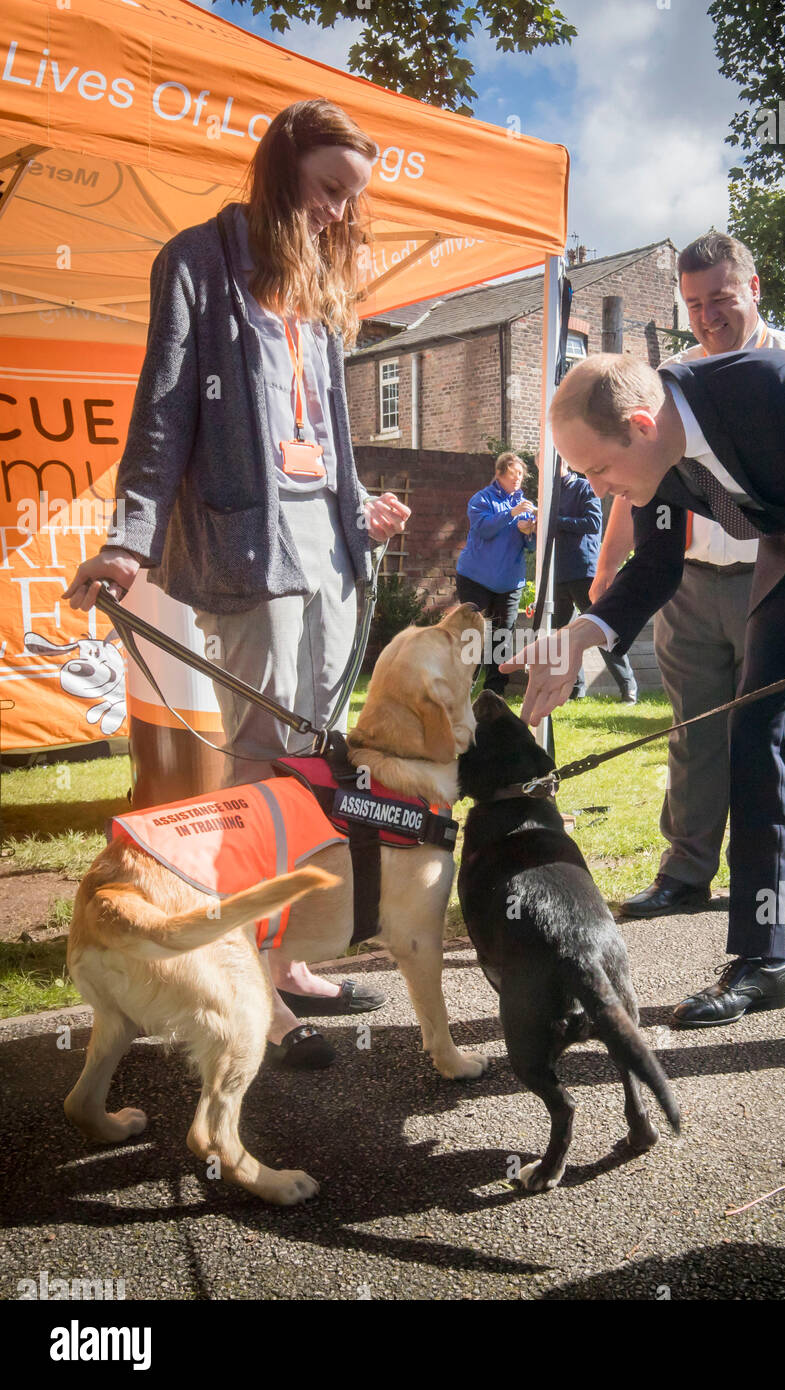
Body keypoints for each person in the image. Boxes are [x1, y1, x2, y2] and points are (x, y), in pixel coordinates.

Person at [64, 99, 411, 1069]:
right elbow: (162, 411)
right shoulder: (195, 262)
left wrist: (361, 512)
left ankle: (288, 957)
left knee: (308, 764)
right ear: (280, 171)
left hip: (330, 559)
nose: (342, 213)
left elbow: (331, 434)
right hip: (247, 557)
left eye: (353, 197)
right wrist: (129, 541)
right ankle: (249, 976)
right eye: (329, 189)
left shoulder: (319, 281)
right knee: (260, 762)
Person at [504, 351, 785, 1079]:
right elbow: (654, 568)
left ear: (640, 424)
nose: (598, 491)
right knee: (753, 731)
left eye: (596, 471)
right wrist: (583, 635)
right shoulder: (657, 458)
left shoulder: (781, 391)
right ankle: (763, 962)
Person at [592, 231, 785, 918]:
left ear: (755, 289)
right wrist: (610, 561)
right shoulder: (672, 379)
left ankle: (765, 884)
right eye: (694, 303)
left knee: (773, 737)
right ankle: (685, 872)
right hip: (691, 582)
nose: (708, 316)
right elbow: (638, 480)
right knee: (693, 732)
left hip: (783, 586)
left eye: (722, 299)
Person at [552, 459, 637, 702]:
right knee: (563, 634)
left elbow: (593, 523)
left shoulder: (584, 487)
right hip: (559, 573)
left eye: (551, 465)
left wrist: (554, 521)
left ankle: (628, 688)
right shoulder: (549, 494)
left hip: (583, 571)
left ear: (564, 465)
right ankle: (576, 689)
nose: (546, 470)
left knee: (602, 628)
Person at [454, 452, 536, 695]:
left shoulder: (525, 505)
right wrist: (511, 515)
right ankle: (464, 688)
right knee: (473, 634)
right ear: (499, 474)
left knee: (502, 636)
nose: (517, 479)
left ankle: (494, 693)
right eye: (513, 474)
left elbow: (530, 547)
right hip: (475, 578)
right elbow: (484, 529)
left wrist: (528, 532)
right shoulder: (481, 499)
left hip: (509, 582)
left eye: (521, 475)